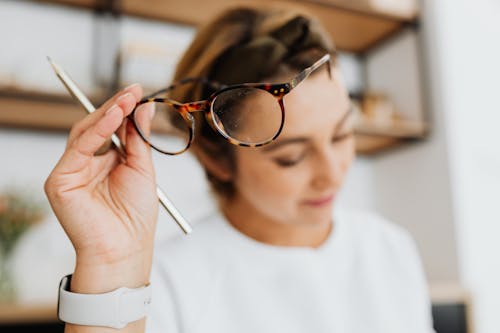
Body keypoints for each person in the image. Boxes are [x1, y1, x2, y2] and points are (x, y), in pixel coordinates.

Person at [44, 4, 435, 333]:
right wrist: (111, 269)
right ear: (216, 157)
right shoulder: (157, 282)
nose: (332, 174)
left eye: (342, 136)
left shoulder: (390, 248)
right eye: (291, 157)